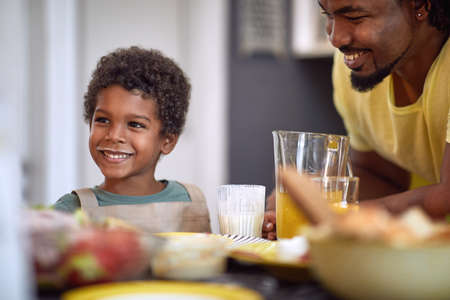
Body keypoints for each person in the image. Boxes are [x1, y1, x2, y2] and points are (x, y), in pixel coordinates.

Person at [263, 0, 449, 239]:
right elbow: (382, 176)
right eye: (327, 15)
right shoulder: (357, 69)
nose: (336, 38)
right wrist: (314, 198)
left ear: (420, 6)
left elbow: (446, 197)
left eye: (354, 18)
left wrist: (339, 216)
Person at [53, 46, 210, 233]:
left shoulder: (191, 201)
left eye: (135, 124)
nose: (114, 135)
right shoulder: (71, 211)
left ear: (167, 141)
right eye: (103, 120)